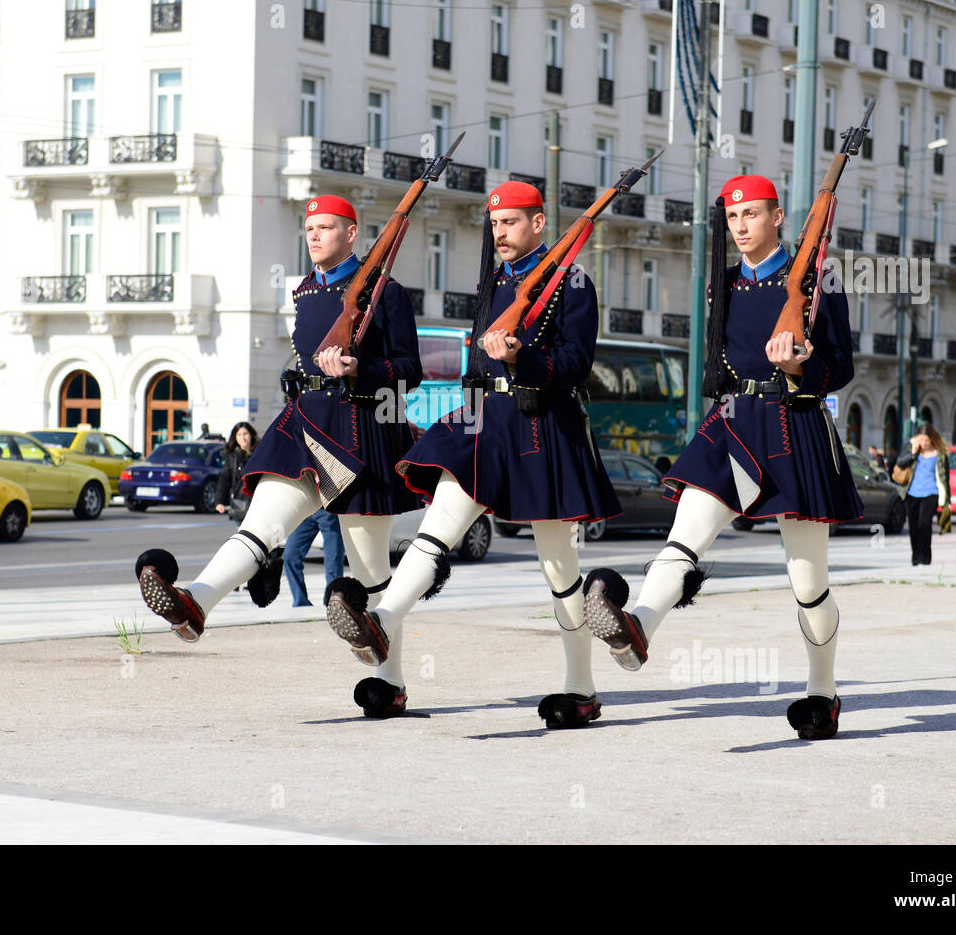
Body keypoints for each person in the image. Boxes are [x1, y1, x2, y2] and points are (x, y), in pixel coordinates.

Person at [321, 180, 621, 729]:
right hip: (485, 418)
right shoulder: (493, 281)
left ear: (538, 224)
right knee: (437, 529)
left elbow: (577, 362)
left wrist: (522, 355)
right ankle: (382, 620)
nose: (499, 233)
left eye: (510, 223)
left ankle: (582, 688)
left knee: (561, 570)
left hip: (540, 424)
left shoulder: (572, 280)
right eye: (495, 224)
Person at [582, 174, 862, 740]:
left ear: (778, 217)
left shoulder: (816, 279)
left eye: (752, 215)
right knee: (684, 535)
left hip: (795, 423)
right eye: (733, 218)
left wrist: (801, 364)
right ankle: (637, 628)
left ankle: (822, 692)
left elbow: (841, 367)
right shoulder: (725, 284)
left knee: (808, 582)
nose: (740, 227)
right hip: (735, 420)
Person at [135, 194, 423, 689]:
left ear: (351, 234)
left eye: (326, 228)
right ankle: (196, 603)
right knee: (259, 526)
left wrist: (362, 368)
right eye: (309, 229)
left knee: (371, 572)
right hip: (306, 422)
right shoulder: (305, 292)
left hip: (360, 431)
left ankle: (389, 681)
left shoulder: (385, 291)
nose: (314, 236)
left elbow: (410, 371)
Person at [893, 422, 950, 565]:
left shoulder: (940, 455)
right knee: (913, 526)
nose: (923, 443)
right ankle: (916, 556)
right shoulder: (912, 449)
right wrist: (912, 453)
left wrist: (947, 500)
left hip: (931, 492)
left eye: (926, 440)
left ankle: (926, 555)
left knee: (924, 523)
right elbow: (900, 463)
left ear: (932, 439)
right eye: (921, 439)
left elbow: (945, 478)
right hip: (911, 492)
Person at [282, 508, 346, 607]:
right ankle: (300, 602)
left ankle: (334, 603)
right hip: (305, 511)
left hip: (328, 510)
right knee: (290, 556)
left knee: (333, 561)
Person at [214, 421, 258, 516]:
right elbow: (224, 479)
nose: (242, 438)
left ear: (251, 435)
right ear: (235, 437)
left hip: (258, 503)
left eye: (245, 434)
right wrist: (219, 501)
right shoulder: (232, 457)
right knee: (242, 530)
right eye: (239, 435)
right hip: (239, 503)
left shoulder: (260, 454)